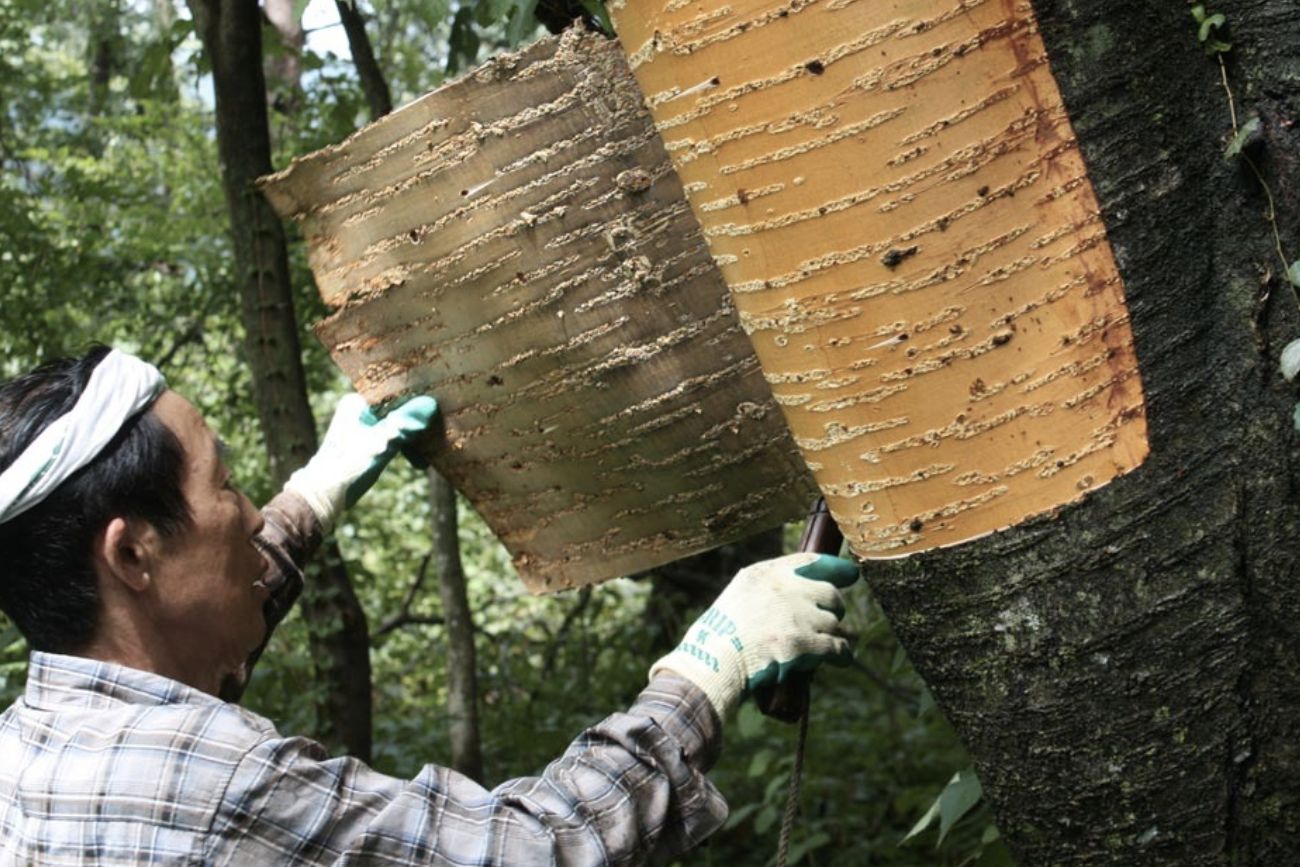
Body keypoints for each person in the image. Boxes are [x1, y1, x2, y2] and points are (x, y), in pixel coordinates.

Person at [0, 346, 859, 865]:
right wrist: (705, 669)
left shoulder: (33, 738)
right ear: (132, 552)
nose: (252, 513)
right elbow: (543, 851)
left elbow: (175, 663)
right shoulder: (217, 786)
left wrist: (316, 497)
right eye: (224, 483)